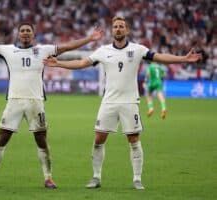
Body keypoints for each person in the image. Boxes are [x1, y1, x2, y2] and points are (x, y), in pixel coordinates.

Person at [43, 16, 202, 190]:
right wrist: (59, 63)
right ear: (112, 30)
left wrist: (183, 59)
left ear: (127, 30)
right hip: (109, 102)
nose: (118, 29)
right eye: (115, 26)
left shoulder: (138, 49)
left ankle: (137, 179)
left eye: (121, 26)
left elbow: (159, 57)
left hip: (129, 102)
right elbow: (82, 63)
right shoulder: (103, 51)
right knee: (98, 139)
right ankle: (96, 177)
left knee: (133, 139)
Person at [0, 20, 103, 189]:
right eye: (22, 30)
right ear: (18, 34)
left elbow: (67, 46)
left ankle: (48, 178)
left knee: (41, 140)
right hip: (14, 102)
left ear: (33, 34)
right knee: (2, 139)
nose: (25, 33)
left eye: (28, 30)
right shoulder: (9, 50)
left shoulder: (44, 50)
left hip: (35, 102)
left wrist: (89, 39)